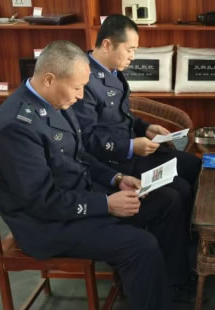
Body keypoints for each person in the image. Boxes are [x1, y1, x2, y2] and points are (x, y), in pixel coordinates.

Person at [0, 41, 187, 310]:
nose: (81, 96)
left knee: (166, 200)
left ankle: (170, 289)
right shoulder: (15, 127)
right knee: (140, 246)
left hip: (76, 195)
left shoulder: (53, 101)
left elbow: (79, 156)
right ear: (50, 79)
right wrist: (106, 204)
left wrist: (117, 178)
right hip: (46, 224)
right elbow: (41, 201)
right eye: (78, 88)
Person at [72, 14, 201, 215]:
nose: (133, 56)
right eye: (130, 49)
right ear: (107, 45)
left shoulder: (113, 70)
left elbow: (122, 114)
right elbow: (85, 140)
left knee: (194, 164)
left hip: (136, 149)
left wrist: (145, 127)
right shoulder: (84, 81)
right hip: (114, 161)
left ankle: (194, 226)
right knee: (181, 189)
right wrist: (130, 146)